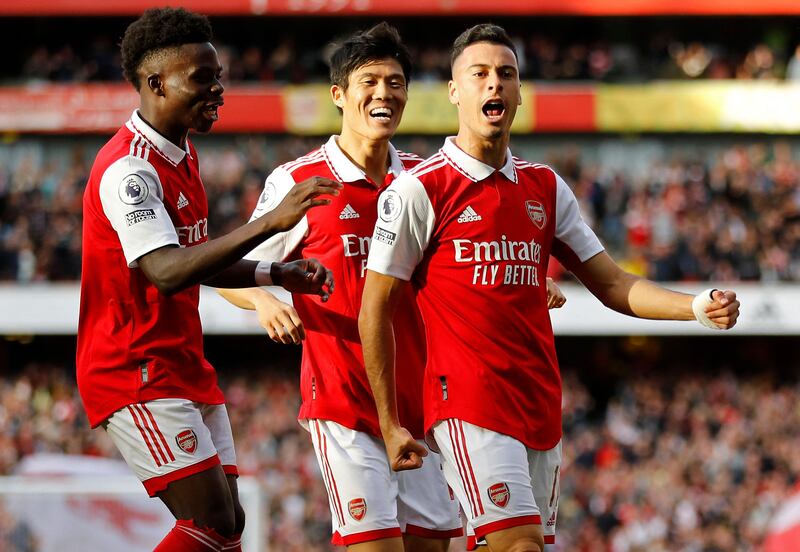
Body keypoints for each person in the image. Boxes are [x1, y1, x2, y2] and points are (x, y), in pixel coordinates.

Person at [358, 23, 741, 552]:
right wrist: (390, 421)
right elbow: (373, 307)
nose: (494, 84)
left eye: (506, 75)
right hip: (467, 402)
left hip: (539, 402)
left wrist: (695, 307)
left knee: (497, 545)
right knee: (521, 546)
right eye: (480, 74)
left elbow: (611, 283)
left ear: (519, 93)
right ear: (454, 90)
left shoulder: (545, 186)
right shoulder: (419, 190)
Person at [76, 8, 340, 552]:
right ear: (155, 83)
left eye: (216, 76)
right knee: (212, 521)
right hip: (134, 367)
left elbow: (194, 256)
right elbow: (167, 271)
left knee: (229, 527)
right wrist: (270, 223)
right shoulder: (129, 169)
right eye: (202, 78)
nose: (218, 90)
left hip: (181, 361)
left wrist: (276, 271)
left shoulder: (181, 153)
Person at [219, 23, 479, 552]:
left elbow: (449, 277)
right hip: (344, 403)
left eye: (396, 82)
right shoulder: (300, 182)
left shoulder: (422, 183)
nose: (384, 93)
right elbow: (228, 270)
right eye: (370, 81)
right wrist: (264, 298)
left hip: (422, 408)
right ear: (339, 95)